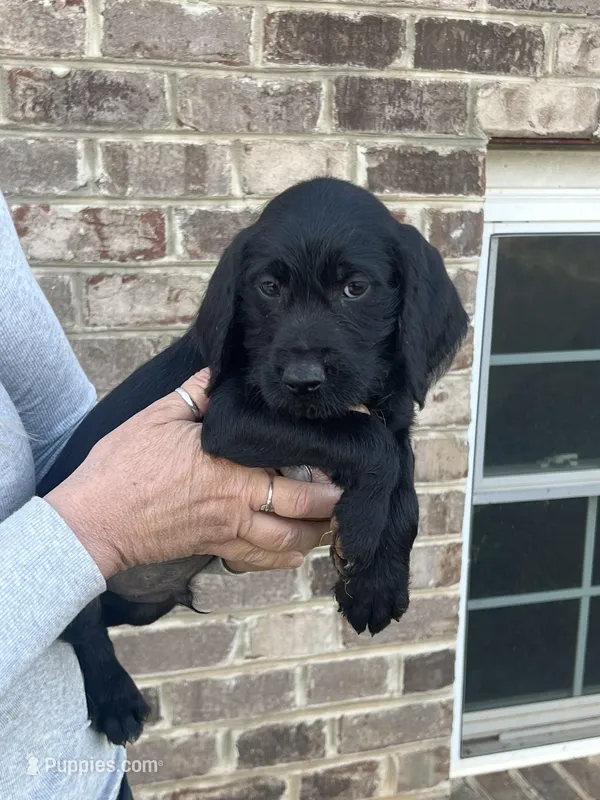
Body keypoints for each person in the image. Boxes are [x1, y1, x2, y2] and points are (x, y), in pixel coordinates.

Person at [0, 192, 340, 799]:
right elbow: (86, 512)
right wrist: (96, 528)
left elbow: (62, 429)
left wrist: (202, 502)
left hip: (83, 771)